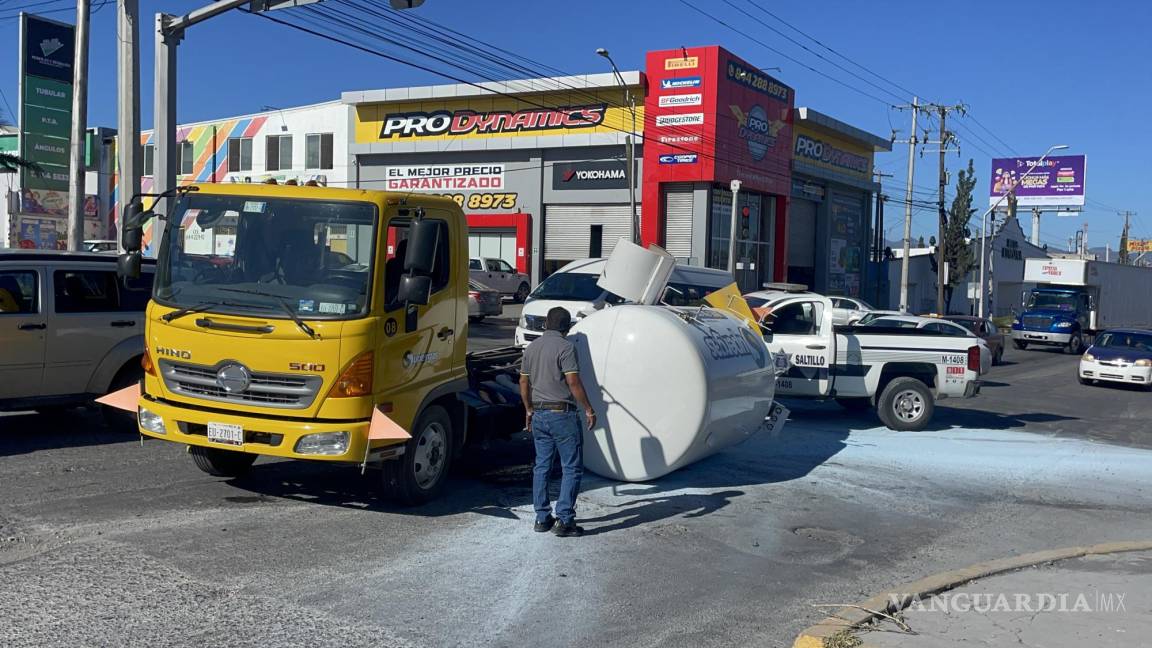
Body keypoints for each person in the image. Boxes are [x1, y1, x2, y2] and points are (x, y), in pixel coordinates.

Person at [519, 307, 597, 537]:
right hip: (561, 414)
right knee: (571, 467)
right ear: (567, 327)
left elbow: (523, 383)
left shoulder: (531, 348)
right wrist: (589, 409)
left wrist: (529, 410)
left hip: (540, 415)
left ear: (545, 324)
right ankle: (564, 521)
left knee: (542, 466)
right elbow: (573, 382)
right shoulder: (566, 347)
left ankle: (542, 518)